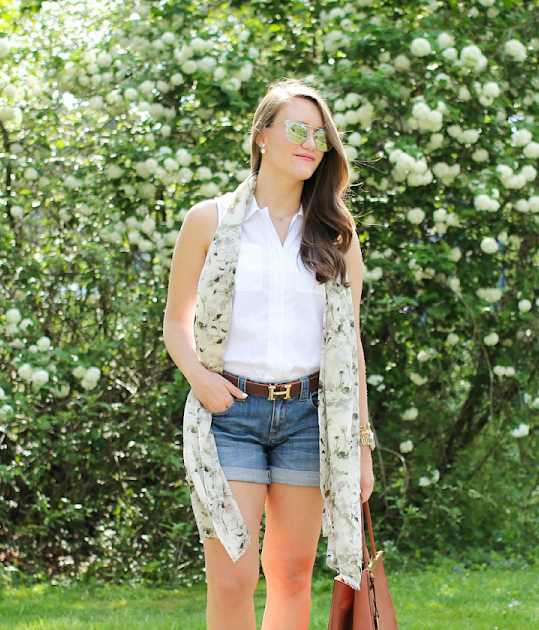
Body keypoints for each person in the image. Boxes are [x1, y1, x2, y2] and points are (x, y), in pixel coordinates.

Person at [162, 78, 376, 630]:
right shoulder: (208, 220)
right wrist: (199, 379)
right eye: (296, 130)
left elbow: (349, 345)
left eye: (320, 135)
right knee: (232, 579)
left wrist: (362, 448)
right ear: (261, 136)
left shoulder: (336, 233)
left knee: (290, 573)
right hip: (231, 415)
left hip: (310, 418)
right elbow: (176, 322)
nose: (310, 143)